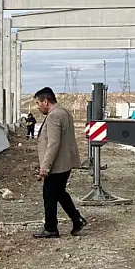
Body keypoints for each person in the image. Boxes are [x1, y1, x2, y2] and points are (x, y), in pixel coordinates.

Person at [32, 87, 87, 238]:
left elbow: (53, 143)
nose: (38, 107)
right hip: (65, 162)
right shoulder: (64, 112)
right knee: (60, 193)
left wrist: (45, 166)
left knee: (49, 196)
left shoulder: (54, 116)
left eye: (38, 103)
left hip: (57, 165)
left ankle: (51, 228)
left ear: (46, 101)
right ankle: (77, 220)